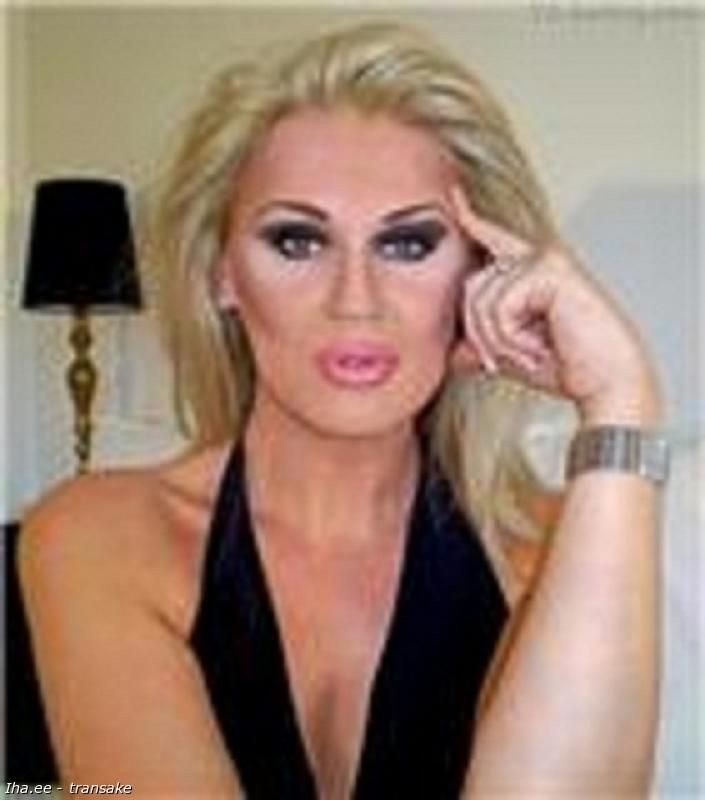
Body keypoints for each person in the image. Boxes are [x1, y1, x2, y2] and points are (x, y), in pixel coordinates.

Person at [19, 20, 666, 799]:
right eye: (297, 242)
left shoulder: (547, 555)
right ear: (222, 273)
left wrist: (621, 402)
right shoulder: (97, 537)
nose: (355, 301)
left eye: (406, 245)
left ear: (482, 273)